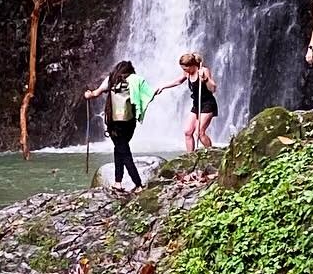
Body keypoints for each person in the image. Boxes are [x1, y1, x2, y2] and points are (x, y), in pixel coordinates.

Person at [83, 59, 153, 192]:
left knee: (124, 152)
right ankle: (118, 182)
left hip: (114, 123)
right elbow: (149, 93)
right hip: (129, 122)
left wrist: (88, 94)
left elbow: (95, 93)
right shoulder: (135, 80)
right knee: (119, 149)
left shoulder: (111, 79)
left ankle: (138, 184)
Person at [155, 51, 218, 150]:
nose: (184, 71)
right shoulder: (187, 73)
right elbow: (178, 81)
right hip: (196, 104)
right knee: (188, 132)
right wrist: (163, 87)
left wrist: (205, 79)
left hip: (208, 104)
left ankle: (211, 152)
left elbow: (213, 88)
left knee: (199, 133)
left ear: (192, 66)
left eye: (185, 68)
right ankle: (190, 156)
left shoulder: (203, 70)